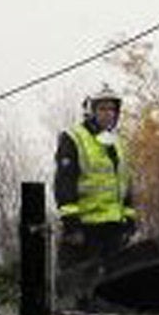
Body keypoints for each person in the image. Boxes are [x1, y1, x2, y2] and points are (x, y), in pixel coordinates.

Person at [54, 85, 136, 270]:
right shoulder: (73, 138)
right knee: (79, 286)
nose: (109, 114)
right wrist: (71, 224)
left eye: (112, 109)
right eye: (103, 109)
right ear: (91, 111)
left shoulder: (118, 144)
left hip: (113, 230)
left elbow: (125, 184)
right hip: (85, 230)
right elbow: (64, 182)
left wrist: (130, 219)